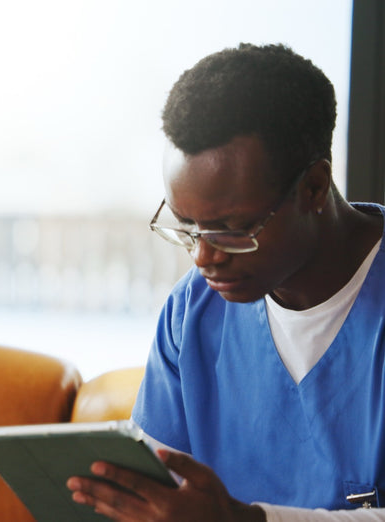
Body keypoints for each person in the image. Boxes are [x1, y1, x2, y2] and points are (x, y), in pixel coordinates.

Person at [66, 43, 385, 521]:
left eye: (233, 229)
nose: (204, 256)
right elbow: (156, 490)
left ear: (315, 187)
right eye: (188, 227)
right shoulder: (192, 313)